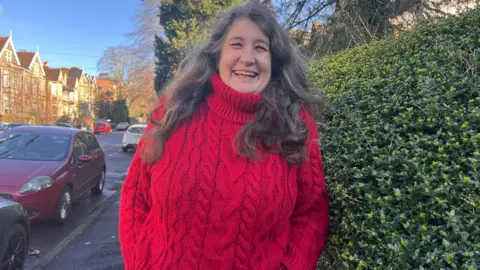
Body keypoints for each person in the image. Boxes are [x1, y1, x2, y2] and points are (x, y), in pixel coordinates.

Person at [119, 2, 329, 270]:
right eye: (236, 44)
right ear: (217, 54)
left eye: (261, 47)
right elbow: (135, 197)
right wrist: (139, 263)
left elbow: (311, 213)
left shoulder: (295, 124)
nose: (248, 58)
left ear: (274, 61)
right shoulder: (173, 111)